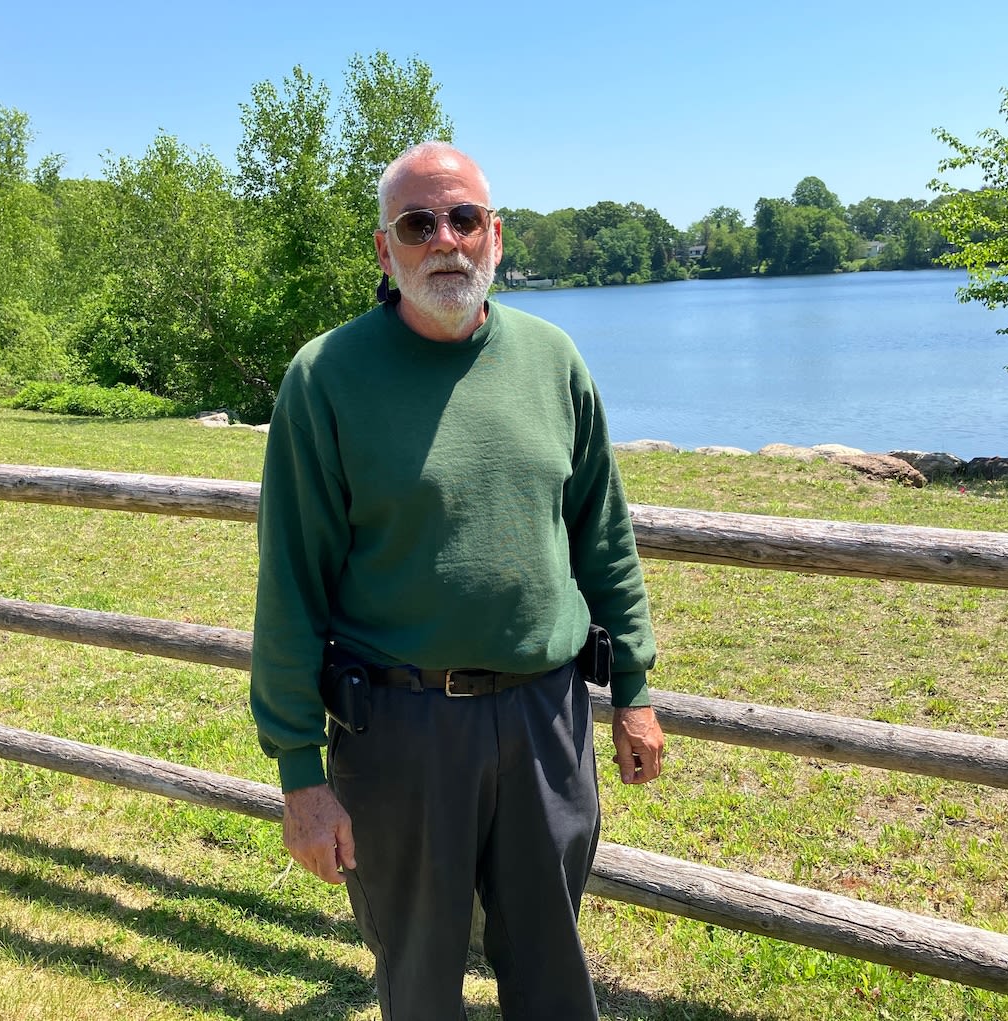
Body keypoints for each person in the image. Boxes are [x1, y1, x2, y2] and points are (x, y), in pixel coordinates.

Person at [250, 140, 664, 1021]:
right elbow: (289, 585)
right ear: (385, 248)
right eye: (418, 222)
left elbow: (604, 539)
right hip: (400, 728)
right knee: (420, 979)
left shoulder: (553, 361)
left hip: (546, 719)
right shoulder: (325, 378)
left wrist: (632, 687)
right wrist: (299, 772)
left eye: (464, 218)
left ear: (496, 236)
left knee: (554, 971)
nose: (445, 238)